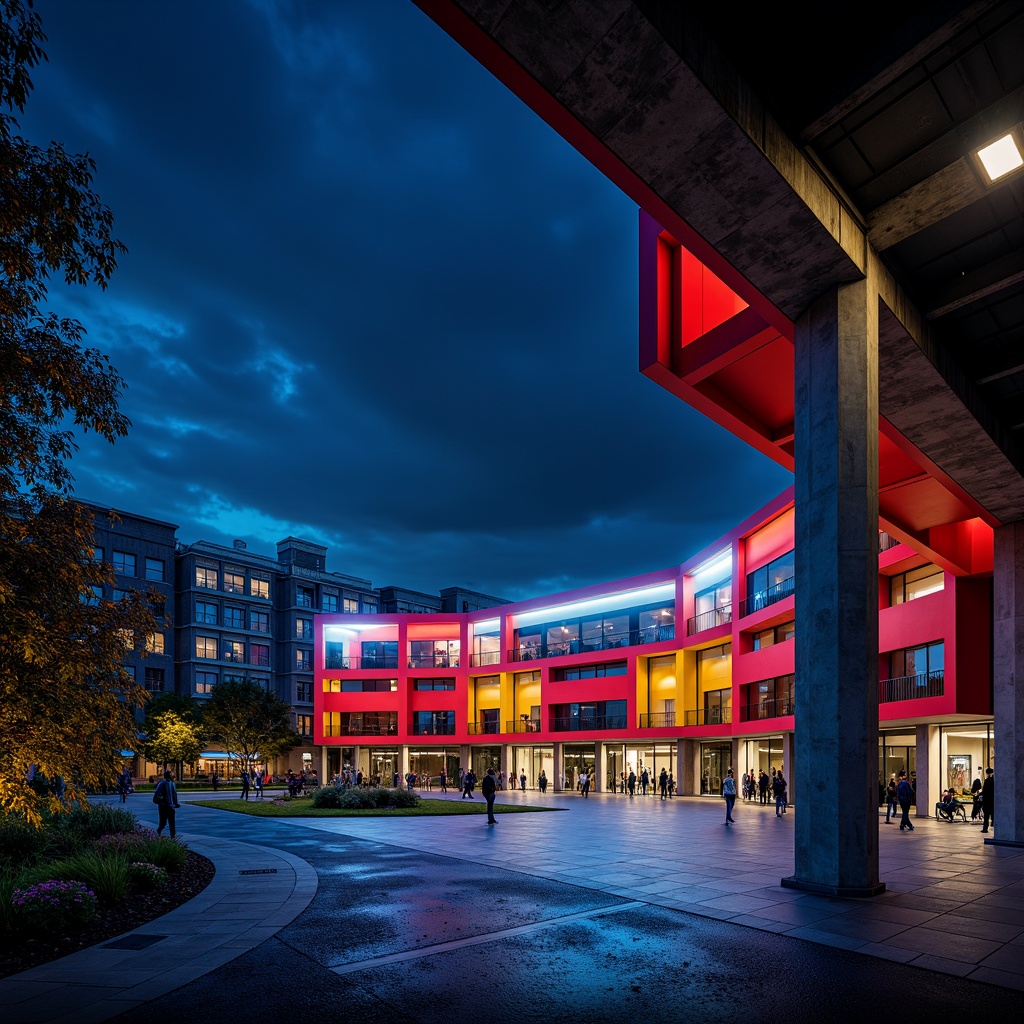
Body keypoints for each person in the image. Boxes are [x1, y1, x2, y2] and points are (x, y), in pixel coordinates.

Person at [153, 769, 180, 838]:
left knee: (172, 822)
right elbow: (156, 797)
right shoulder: (162, 783)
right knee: (163, 822)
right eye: (171, 775)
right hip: (164, 807)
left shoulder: (172, 783)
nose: (173, 776)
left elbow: (174, 795)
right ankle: (159, 831)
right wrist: (162, 802)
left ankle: (173, 836)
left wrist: (175, 803)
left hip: (171, 807)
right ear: (168, 776)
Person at [981, 767, 994, 834]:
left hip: (987, 801)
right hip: (991, 801)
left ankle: (985, 828)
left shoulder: (987, 781)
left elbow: (984, 791)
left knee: (987, 815)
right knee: (990, 814)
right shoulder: (992, 781)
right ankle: (987, 827)